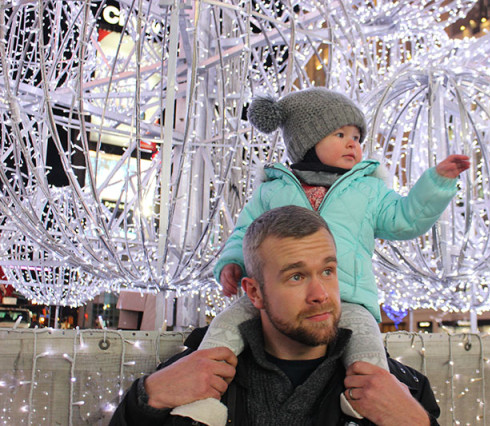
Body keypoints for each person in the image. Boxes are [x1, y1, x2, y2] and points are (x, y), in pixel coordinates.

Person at [178, 87, 469, 423]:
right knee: (226, 326)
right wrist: (231, 263)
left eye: (357, 137)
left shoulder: (368, 189)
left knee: (367, 346)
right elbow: (245, 232)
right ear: (307, 140)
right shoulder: (274, 189)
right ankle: (201, 395)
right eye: (340, 134)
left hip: (350, 298)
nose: (352, 144)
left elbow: (405, 219)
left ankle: (367, 400)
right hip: (273, 297)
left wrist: (436, 183)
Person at [109, 206, 440, 425]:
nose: (321, 294)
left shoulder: (402, 389)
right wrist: (145, 400)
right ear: (253, 292)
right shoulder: (191, 375)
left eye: (328, 270)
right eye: (296, 276)